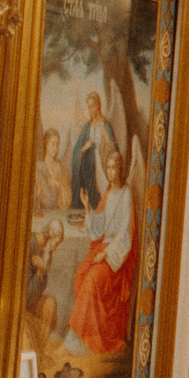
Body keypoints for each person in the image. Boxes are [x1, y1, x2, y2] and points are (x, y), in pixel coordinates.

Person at [68, 145, 138, 354]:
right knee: (80, 275)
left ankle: (82, 337)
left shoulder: (126, 195)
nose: (110, 172)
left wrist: (105, 254)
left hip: (116, 255)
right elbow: (99, 227)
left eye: (113, 168)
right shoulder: (108, 194)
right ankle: (86, 334)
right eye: (107, 168)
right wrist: (88, 208)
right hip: (104, 247)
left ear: (121, 169)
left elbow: (126, 234)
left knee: (92, 281)